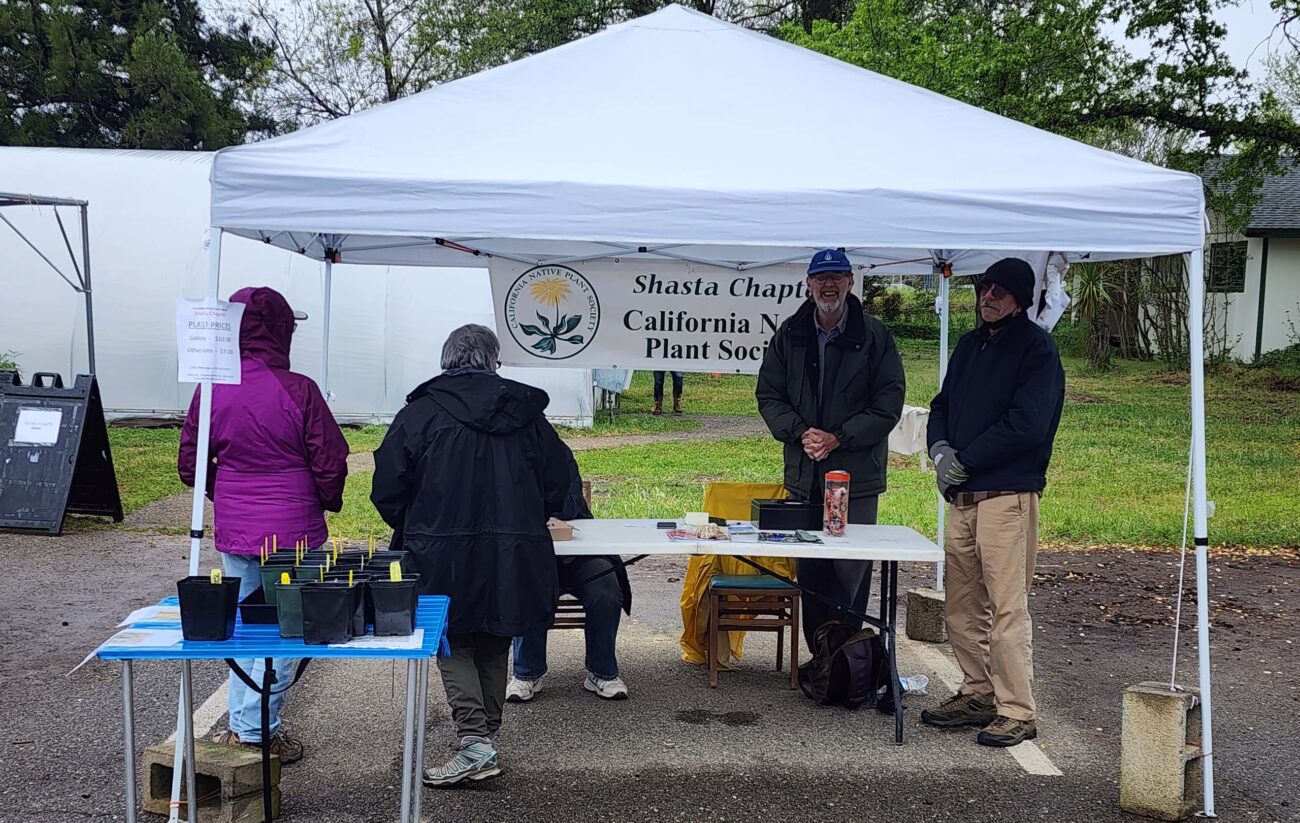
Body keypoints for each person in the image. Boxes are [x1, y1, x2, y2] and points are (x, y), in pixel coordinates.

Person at [370, 324, 570, 787]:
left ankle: (476, 743)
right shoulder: (527, 416)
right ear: (493, 359)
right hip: (514, 547)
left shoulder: (419, 415)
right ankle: (482, 739)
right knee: (496, 634)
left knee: (452, 638)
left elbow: (388, 487)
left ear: (447, 359)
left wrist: (414, 523)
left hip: (439, 548)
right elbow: (559, 480)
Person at [178, 287, 349, 763]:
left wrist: (226, 493)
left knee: (241, 628)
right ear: (281, 331)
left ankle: (245, 726)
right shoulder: (299, 389)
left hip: (238, 523)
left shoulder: (211, 388)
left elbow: (191, 462)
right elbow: (330, 458)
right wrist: (323, 500)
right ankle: (257, 730)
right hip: (295, 527)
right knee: (289, 627)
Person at [920, 257, 1065, 748]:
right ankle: (977, 692)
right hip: (963, 496)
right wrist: (939, 451)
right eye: (985, 288)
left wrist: (968, 460)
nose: (989, 297)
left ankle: (1018, 710)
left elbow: (1026, 423)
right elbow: (941, 406)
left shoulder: (1037, 349)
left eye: (1001, 291)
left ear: (1021, 299)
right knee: (961, 606)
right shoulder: (968, 345)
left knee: (1006, 608)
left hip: (1007, 495)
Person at [756, 249, 905, 649]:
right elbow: (769, 395)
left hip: (856, 479)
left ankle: (850, 656)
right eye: (821, 277)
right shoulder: (789, 333)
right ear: (807, 284)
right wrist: (802, 432)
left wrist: (838, 437)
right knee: (813, 573)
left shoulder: (876, 336)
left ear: (851, 282)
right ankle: (821, 658)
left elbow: (889, 403)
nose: (829, 285)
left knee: (850, 569)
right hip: (805, 477)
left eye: (837, 276)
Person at [506, 447, 632, 703]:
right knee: (526, 586)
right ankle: (527, 673)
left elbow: (573, 504)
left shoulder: (560, 457)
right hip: (533, 557)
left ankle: (602, 672)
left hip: (580, 552)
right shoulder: (505, 464)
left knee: (605, 587)